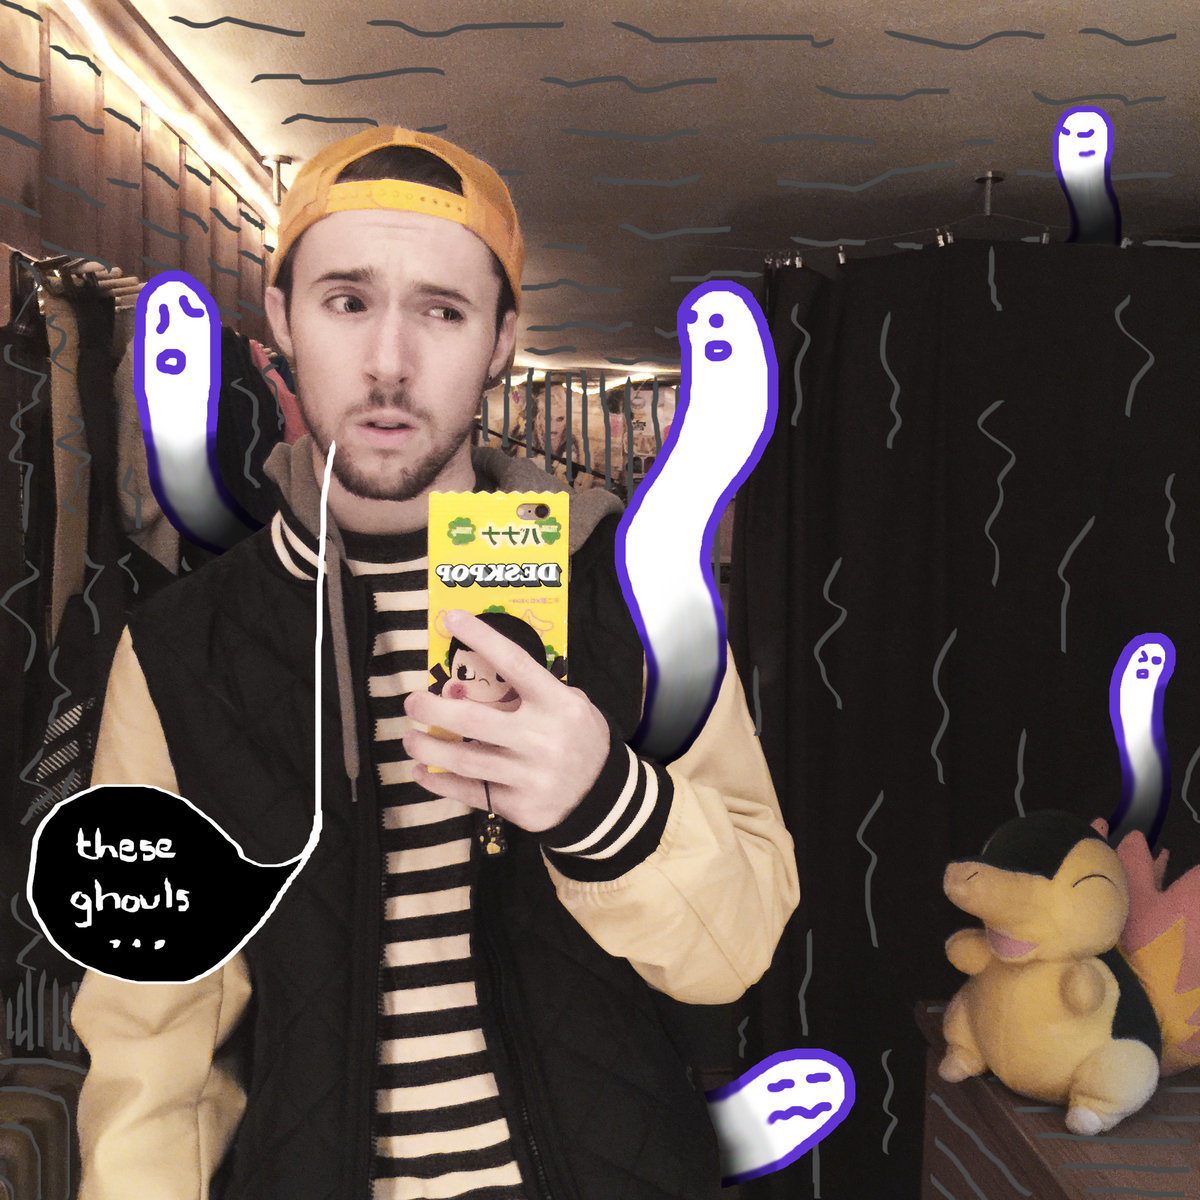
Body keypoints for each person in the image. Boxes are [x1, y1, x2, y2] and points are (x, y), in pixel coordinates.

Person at [71, 127, 798, 1200]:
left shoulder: (626, 594)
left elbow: (736, 949)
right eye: (347, 301)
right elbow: (151, 1037)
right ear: (282, 317)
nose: (389, 362)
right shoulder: (182, 649)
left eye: (443, 312)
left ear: (503, 340)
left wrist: (603, 800)